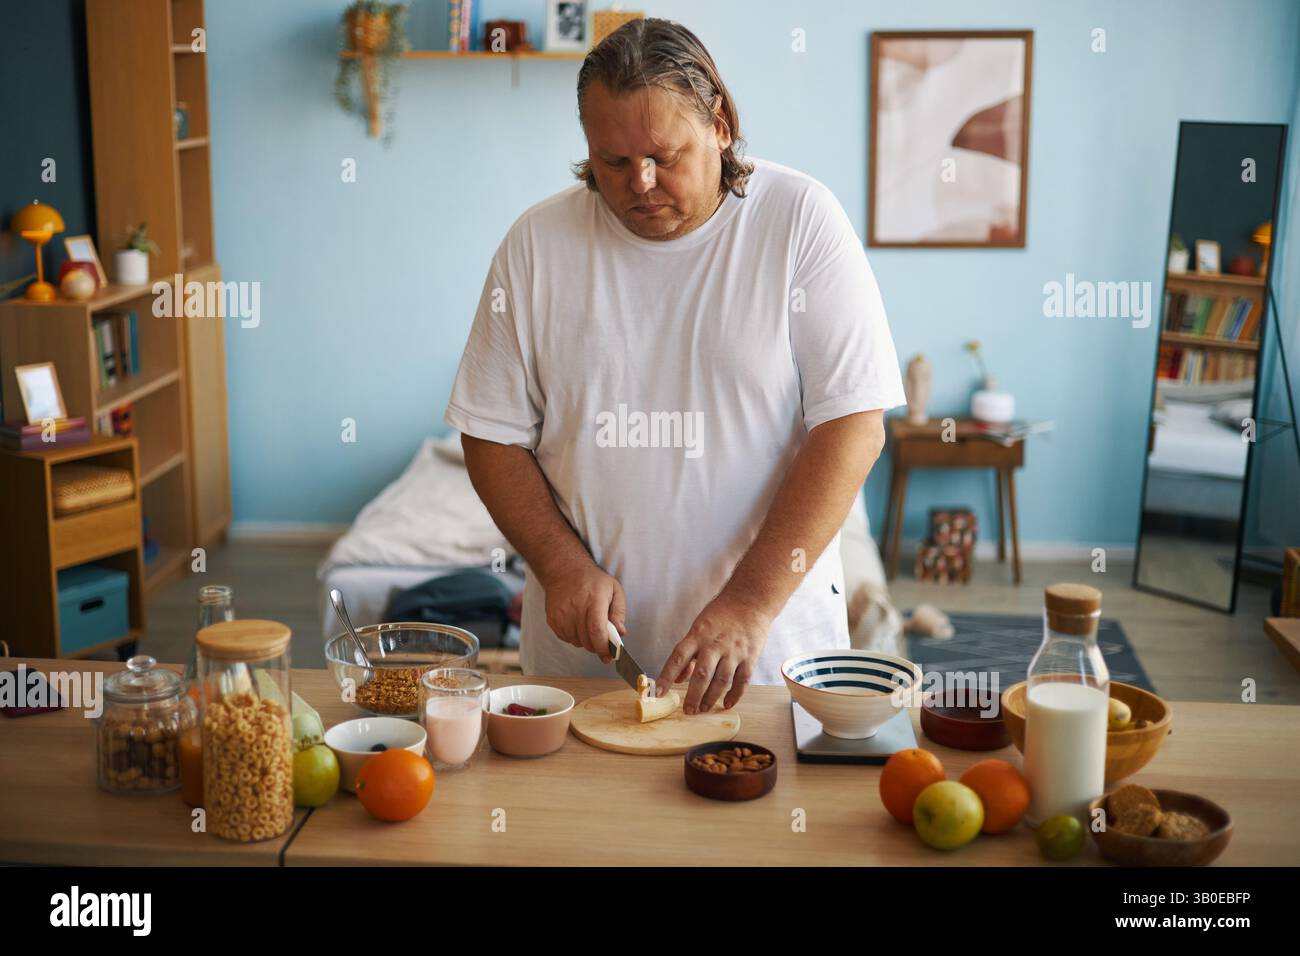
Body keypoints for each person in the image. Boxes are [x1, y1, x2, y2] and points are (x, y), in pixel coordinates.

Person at [445, 18, 905, 715]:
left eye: (666, 155)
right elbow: (490, 434)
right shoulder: (535, 246)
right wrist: (562, 567)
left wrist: (750, 603)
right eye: (613, 162)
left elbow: (853, 427)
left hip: (770, 659)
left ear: (720, 124)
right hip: (584, 670)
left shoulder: (801, 222)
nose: (642, 183)